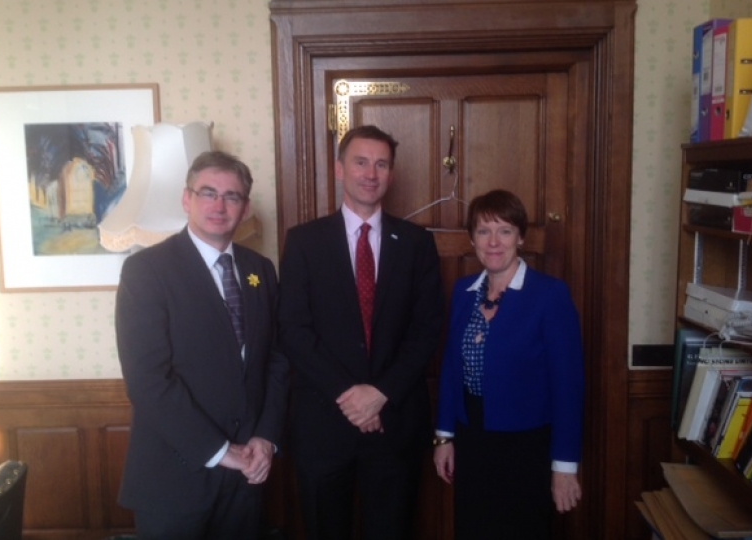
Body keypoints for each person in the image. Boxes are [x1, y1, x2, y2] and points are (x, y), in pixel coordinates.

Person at [278, 125, 444, 540]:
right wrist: (351, 396)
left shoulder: (416, 243)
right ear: (339, 169)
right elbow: (294, 330)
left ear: (390, 173)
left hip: (395, 423)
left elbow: (427, 330)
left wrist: (379, 393)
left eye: (381, 164)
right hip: (324, 424)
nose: (371, 173)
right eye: (361, 162)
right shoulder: (303, 242)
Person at [114, 150, 288, 540]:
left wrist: (265, 438)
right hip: (174, 478)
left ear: (244, 208)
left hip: (247, 475)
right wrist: (219, 451)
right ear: (186, 198)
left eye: (232, 196)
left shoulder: (260, 270)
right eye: (208, 192)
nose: (219, 205)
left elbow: (276, 360)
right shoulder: (147, 271)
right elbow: (147, 380)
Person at [432, 189, 585, 540]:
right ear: (472, 240)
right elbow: (451, 371)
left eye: (504, 230)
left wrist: (564, 467)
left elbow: (568, 387)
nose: (494, 242)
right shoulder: (463, 291)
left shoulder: (550, 295)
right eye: (484, 231)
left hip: (526, 449)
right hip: (472, 443)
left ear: (520, 237)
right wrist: (444, 438)